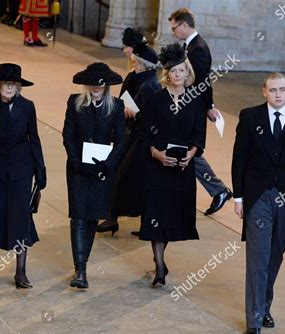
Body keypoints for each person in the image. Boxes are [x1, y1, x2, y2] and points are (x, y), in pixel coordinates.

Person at [232, 72, 285, 334]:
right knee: (258, 257)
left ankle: (264, 305)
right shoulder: (250, 117)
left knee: (276, 253)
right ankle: (254, 321)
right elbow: (239, 159)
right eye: (272, 90)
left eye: (282, 89)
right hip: (258, 197)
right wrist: (239, 197)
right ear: (263, 92)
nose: (278, 94)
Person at [0, 63, 46, 289]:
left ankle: (21, 272)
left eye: (13, 84)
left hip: (21, 170)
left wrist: (40, 173)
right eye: (5, 83)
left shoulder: (27, 107)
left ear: (18, 87)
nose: (9, 87)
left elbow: (34, 139)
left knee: (20, 217)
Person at [140, 43, 205, 287]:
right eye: (173, 72)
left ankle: (161, 260)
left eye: (181, 71)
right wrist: (156, 153)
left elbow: (199, 134)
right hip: (157, 168)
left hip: (181, 169)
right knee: (155, 216)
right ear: (166, 74)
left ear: (187, 73)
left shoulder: (195, 101)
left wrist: (192, 153)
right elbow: (145, 134)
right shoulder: (155, 99)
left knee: (169, 218)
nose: (178, 76)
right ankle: (159, 266)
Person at [62, 62, 126, 288]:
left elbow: (121, 139)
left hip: (102, 171)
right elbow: (67, 135)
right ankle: (80, 270)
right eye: (93, 83)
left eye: (101, 84)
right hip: (78, 169)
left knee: (92, 217)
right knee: (78, 216)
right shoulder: (75, 103)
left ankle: (84, 263)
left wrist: (108, 164)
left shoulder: (116, 106)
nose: (97, 87)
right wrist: (76, 161)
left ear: (106, 85)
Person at [169, 8, 232, 215]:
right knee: (185, 151)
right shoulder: (191, 47)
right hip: (188, 105)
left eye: (174, 28)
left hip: (192, 108)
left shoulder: (199, 49)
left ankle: (219, 190)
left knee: (189, 152)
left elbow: (203, 81)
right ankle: (217, 190)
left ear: (185, 25)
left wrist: (208, 107)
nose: (173, 32)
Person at [99, 43, 161, 236]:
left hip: (141, 139)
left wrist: (133, 113)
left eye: (136, 61)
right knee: (126, 177)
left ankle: (118, 218)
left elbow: (151, 117)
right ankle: (115, 217)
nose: (133, 63)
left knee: (124, 176)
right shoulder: (144, 80)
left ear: (142, 64)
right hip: (135, 136)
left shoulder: (149, 85)